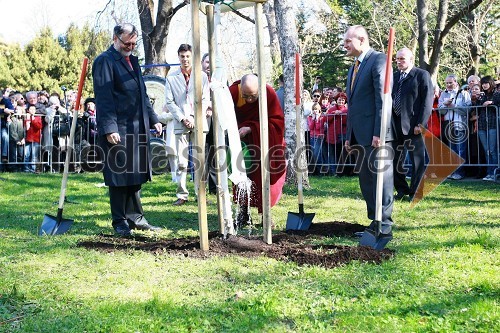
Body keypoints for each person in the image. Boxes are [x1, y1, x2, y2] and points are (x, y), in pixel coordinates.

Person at [92, 23, 162, 236]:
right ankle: (120, 221)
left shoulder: (133, 61)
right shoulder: (104, 61)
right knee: (119, 175)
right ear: (115, 38)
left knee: (135, 174)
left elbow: (142, 94)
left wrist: (153, 119)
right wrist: (109, 128)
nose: (130, 47)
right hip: (118, 128)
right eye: (126, 43)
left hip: (137, 128)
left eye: (133, 43)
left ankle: (136, 217)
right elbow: (103, 98)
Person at [343, 25, 394, 237]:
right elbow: (353, 104)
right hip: (359, 134)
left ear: (361, 40)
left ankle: (385, 224)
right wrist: (348, 135)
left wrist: (379, 132)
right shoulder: (354, 66)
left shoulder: (378, 60)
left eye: (348, 41)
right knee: (366, 180)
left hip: (376, 134)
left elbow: (383, 98)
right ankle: (374, 221)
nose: (344, 45)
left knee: (381, 180)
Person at [229, 74, 286, 224]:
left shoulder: (268, 92)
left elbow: (276, 122)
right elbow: (225, 116)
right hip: (241, 143)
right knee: (240, 175)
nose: (248, 100)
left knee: (263, 178)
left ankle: (265, 214)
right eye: (245, 96)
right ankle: (243, 213)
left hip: (263, 142)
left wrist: (252, 128)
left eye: (253, 96)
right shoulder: (233, 92)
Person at [164, 44, 211, 206]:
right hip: (181, 123)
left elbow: (204, 99)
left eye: (188, 56)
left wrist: (194, 117)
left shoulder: (202, 77)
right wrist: (183, 118)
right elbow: (169, 102)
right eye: (182, 56)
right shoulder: (171, 78)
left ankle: (201, 193)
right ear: (178, 57)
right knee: (182, 161)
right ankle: (182, 194)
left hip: (199, 122)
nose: (185, 59)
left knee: (199, 159)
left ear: (192, 57)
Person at [391, 48, 433, 201]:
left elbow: (427, 102)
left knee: (417, 161)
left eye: (402, 58)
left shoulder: (421, 75)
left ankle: (416, 192)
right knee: (395, 160)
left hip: (414, 125)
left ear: (411, 59)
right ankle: (402, 189)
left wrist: (420, 124)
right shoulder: (394, 77)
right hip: (395, 125)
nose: (399, 61)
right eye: (397, 59)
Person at [438, 74, 471, 180]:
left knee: (461, 150)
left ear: (456, 82)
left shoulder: (464, 93)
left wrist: (454, 106)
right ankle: (453, 172)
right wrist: (445, 105)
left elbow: (467, 110)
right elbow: (440, 111)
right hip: (448, 126)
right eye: (446, 83)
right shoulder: (443, 94)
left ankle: (460, 172)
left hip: (460, 125)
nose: (448, 85)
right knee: (452, 150)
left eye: (450, 82)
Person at [476, 76, 499, 181]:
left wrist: (491, 103)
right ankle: (489, 173)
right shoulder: (481, 96)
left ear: (490, 83)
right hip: (482, 125)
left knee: (492, 149)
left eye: (486, 83)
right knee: (487, 150)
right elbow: (476, 109)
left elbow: (497, 105)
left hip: (492, 124)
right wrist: (476, 99)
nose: (484, 85)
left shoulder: (496, 94)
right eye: (483, 83)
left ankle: (494, 172)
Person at [307, 102, 326, 174]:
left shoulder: (322, 117)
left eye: (316, 109)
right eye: (314, 109)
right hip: (312, 137)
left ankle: (322, 170)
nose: (315, 111)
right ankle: (318, 171)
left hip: (319, 137)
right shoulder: (309, 117)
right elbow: (311, 127)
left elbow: (318, 128)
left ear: (319, 110)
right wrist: (313, 119)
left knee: (317, 154)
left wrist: (317, 119)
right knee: (314, 154)